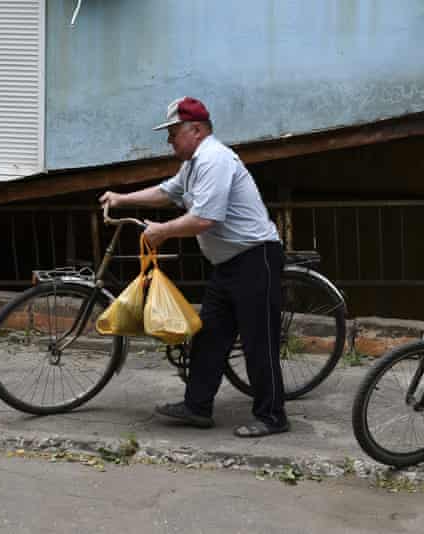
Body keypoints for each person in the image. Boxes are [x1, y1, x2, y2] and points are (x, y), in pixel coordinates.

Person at [99, 96, 289, 438]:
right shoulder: (194, 163)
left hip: (254, 258)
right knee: (209, 337)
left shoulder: (215, 159)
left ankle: (272, 416)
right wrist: (122, 198)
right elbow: (167, 192)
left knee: (259, 341)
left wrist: (163, 232)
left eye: (174, 133)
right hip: (229, 263)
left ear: (196, 130)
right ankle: (197, 407)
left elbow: (205, 218)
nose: (169, 140)